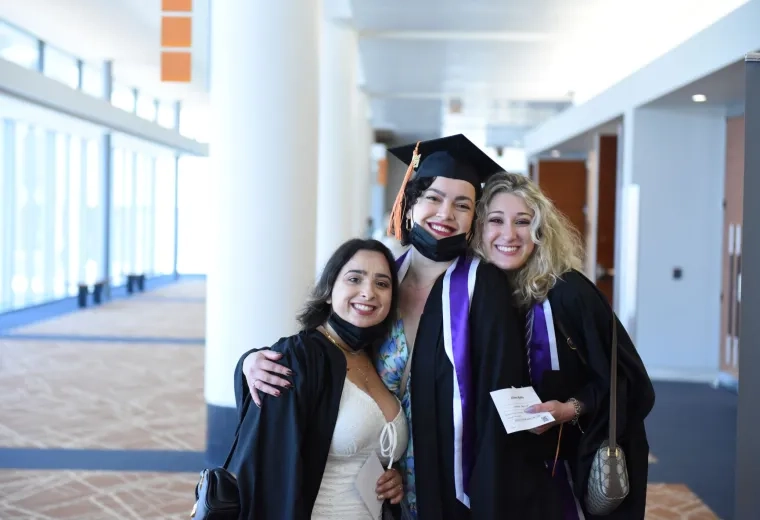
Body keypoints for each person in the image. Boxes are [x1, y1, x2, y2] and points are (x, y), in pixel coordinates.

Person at [241, 134, 561, 519]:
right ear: (409, 205)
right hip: (381, 486)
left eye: (462, 204)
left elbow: (498, 404)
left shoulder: (483, 288)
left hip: (452, 489)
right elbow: (328, 348)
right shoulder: (384, 279)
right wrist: (251, 361)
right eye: (434, 198)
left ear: (473, 218)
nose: (445, 214)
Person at [473, 172, 655, 519]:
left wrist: (569, 408)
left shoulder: (570, 293)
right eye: (496, 220)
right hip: (498, 472)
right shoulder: (475, 297)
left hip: (561, 472)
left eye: (523, 222)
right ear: (479, 229)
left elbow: (626, 380)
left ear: (541, 231)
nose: (508, 234)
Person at [229, 238, 408, 519]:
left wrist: (392, 477)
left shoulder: (380, 357)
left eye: (382, 284)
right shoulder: (299, 358)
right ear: (328, 291)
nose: (368, 292)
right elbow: (267, 469)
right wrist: (247, 362)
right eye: (354, 278)